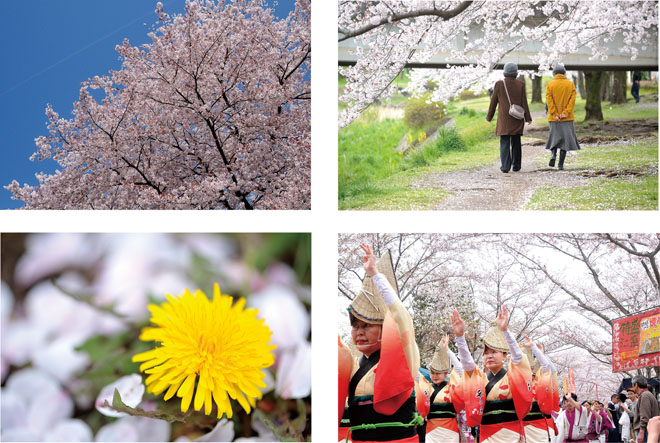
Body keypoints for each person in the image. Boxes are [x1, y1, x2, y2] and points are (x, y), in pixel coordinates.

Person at [341, 243, 422, 442]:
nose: (359, 332)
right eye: (355, 326)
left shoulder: (402, 358)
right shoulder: (349, 364)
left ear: (384, 327)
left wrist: (375, 274)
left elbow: (400, 316)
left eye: (366, 326)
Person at [451, 306, 533, 442]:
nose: (489, 356)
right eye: (486, 353)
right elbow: (467, 364)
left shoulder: (512, 376)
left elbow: (518, 358)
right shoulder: (479, 378)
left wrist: (505, 332)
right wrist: (460, 338)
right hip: (486, 435)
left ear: (505, 356)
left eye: (494, 352)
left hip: (510, 433)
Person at [486, 62, 533, 173]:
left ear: (504, 73)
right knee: (516, 142)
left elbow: (493, 102)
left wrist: (489, 117)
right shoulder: (520, 84)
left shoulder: (499, 84)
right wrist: (528, 118)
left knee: (505, 142)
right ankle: (516, 166)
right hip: (517, 118)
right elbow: (524, 102)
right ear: (516, 73)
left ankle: (505, 167)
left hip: (504, 119)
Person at [419, 336, 464, 442]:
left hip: (450, 432)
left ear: (446, 373)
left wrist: (448, 350)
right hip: (431, 432)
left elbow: (460, 369)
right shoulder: (427, 387)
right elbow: (414, 372)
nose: (435, 376)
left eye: (438, 373)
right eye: (432, 373)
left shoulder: (452, 385)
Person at [522, 337, 558, 442]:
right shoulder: (517, 382)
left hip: (542, 426)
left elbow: (548, 367)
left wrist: (536, 350)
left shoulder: (541, 380)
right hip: (524, 427)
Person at [545, 63, 580, 170]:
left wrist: (555, 114)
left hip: (554, 118)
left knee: (553, 138)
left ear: (554, 73)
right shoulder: (570, 84)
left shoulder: (550, 85)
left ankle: (553, 155)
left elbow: (549, 101)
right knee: (565, 141)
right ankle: (560, 165)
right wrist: (565, 113)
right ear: (564, 73)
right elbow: (572, 101)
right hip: (567, 118)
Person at [631, 375, 660, 443]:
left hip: (646, 431)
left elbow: (645, 416)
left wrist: (641, 432)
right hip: (650, 430)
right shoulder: (648, 394)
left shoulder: (644, 395)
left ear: (636, 385)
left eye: (633, 385)